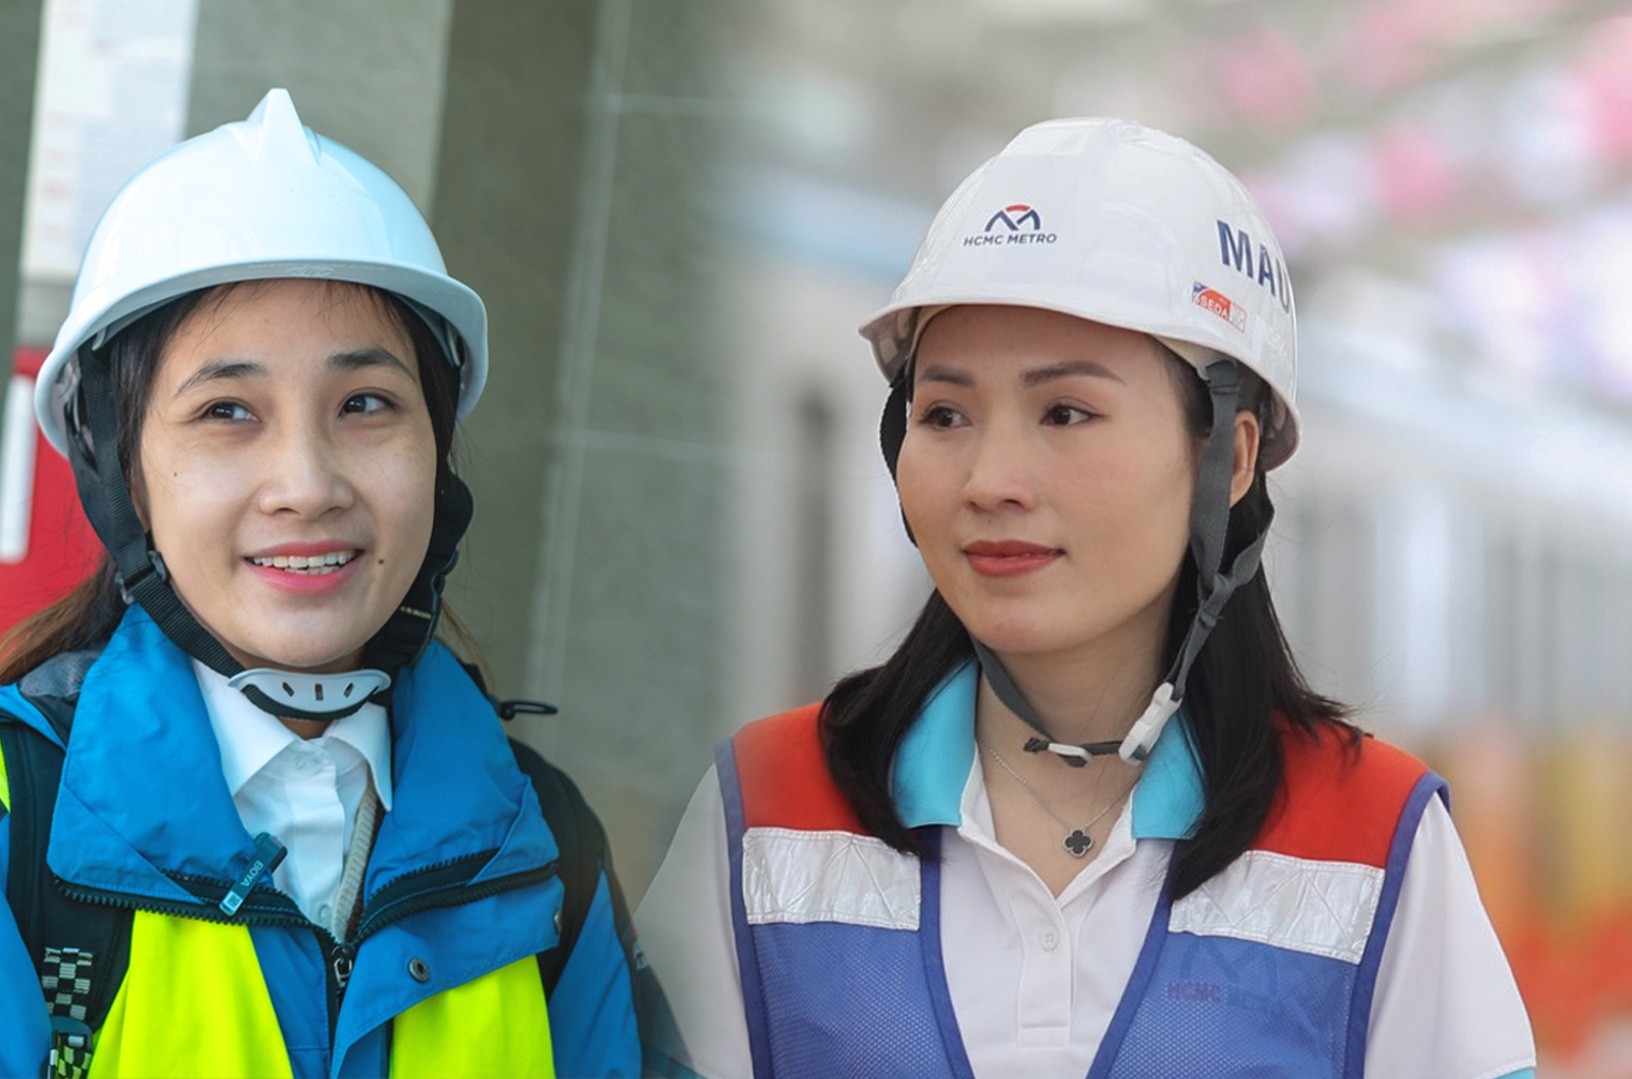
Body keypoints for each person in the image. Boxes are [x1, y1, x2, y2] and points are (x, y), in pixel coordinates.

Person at [636, 118, 1535, 1078]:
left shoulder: (1375, 837)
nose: (991, 478)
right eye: (944, 414)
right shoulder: (764, 808)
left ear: (1225, 459)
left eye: (1066, 411)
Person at [0, 89, 649, 1078]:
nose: (307, 485)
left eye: (366, 402)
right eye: (228, 409)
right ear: (121, 470)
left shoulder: (543, 840)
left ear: (438, 454)